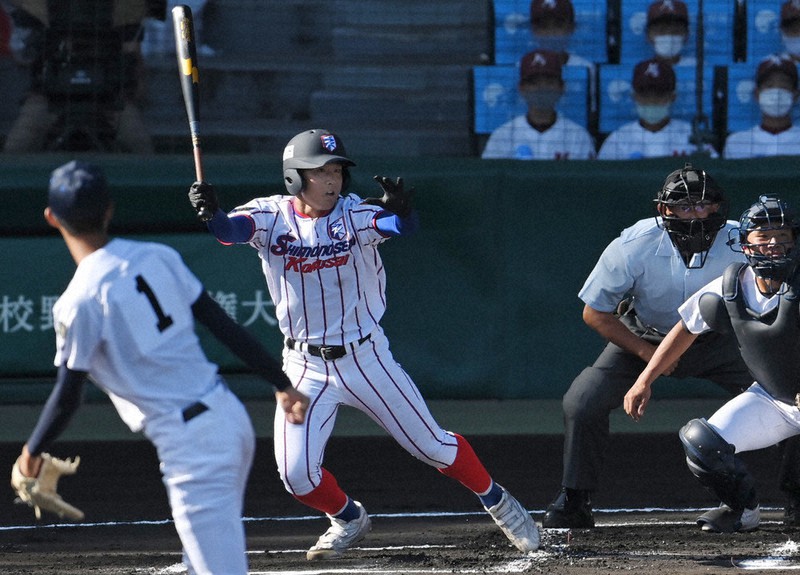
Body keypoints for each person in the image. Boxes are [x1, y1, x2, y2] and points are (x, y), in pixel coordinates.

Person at [186, 128, 540, 559]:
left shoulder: (353, 213)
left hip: (365, 358)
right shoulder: (270, 215)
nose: (333, 180)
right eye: (322, 172)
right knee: (297, 476)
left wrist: (403, 212)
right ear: (296, 177)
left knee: (433, 446)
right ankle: (349, 518)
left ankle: (497, 500)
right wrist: (211, 214)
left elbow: (395, 225)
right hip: (302, 366)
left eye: (337, 170)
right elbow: (230, 232)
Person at [12, 160, 309, 574]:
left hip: (194, 448)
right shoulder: (156, 256)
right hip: (229, 418)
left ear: (51, 218)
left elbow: (67, 397)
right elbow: (222, 324)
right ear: (110, 210)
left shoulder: (77, 301)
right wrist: (282, 384)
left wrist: (29, 454)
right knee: (198, 563)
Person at [542, 164, 757, 529]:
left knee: (789, 392)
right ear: (664, 210)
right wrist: (647, 358)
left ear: (719, 207)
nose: (696, 214)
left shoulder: (741, 241)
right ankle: (575, 498)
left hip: (722, 339)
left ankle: (796, 496)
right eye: (685, 206)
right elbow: (595, 312)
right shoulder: (634, 244)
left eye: (704, 205)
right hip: (646, 335)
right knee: (583, 400)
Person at [624, 194, 800, 533]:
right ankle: (742, 510)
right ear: (745, 243)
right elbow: (686, 327)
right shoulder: (733, 284)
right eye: (764, 237)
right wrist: (645, 379)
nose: (774, 245)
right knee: (702, 442)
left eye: (783, 237)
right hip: (774, 398)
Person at [3, 1, 154, 153]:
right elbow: (23, 55)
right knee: (18, 146)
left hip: (109, 98)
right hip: (50, 97)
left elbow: (132, 51)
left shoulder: (123, 8)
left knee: (140, 146)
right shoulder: (39, 7)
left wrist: (133, 86)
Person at [481, 49, 595, 160]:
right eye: (533, 83)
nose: (541, 89)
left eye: (549, 82)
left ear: (562, 88)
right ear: (521, 89)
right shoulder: (502, 136)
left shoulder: (578, 137)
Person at [597, 58, 716, 160]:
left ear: (673, 97)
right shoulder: (618, 140)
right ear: (634, 97)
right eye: (645, 95)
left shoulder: (693, 136)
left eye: (659, 95)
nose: (652, 102)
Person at [722, 53, 800, 159]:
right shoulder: (736, 143)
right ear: (757, 94)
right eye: (769, 85)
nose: (776, 92)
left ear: (795, 95)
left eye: (784, 85)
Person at [645, 0, 694, 67]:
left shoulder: (699, 68)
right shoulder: (641, 71)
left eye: (676, 31)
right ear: (648, 36)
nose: (669, 36)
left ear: (687, 35)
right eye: (661, 31)